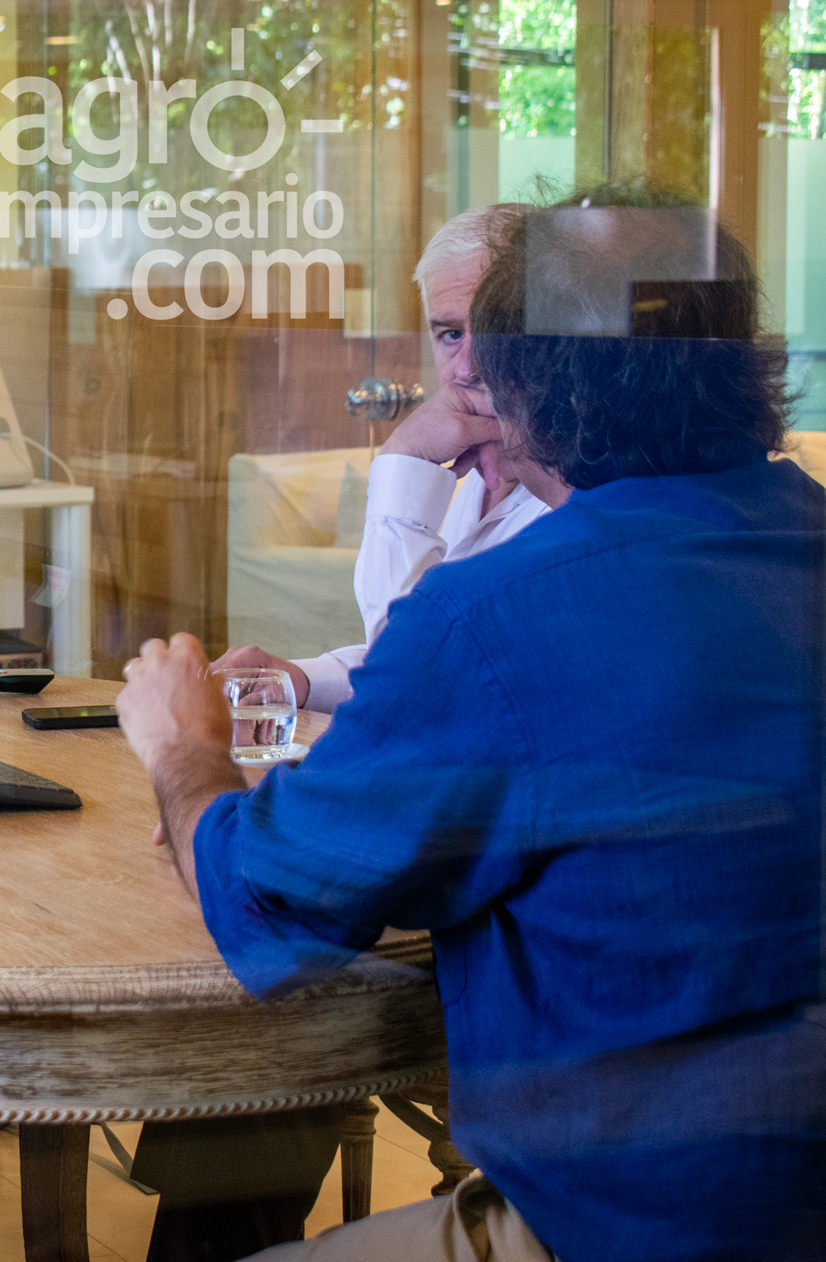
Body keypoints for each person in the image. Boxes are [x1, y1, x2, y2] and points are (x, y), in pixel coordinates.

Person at [117, 185, 823, 1261]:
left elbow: (267, 900)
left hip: (638, 1223)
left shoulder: (503, 616)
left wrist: (183, 748)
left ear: (519, 385)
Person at [214, 205, 552, 710]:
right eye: (451, 334)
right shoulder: (478, 470)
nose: (467, 367)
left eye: (498, 331)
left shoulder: (581, 493)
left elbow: (425, 683)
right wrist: (300, 680)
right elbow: (429, 651)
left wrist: (403, 458)